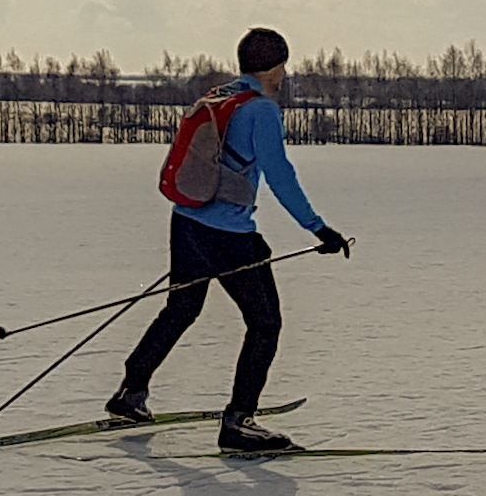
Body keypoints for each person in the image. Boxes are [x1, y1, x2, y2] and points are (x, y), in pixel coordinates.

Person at [107, 26, 349, 454]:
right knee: (265, 324)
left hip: (187, 222)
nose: (283, 75)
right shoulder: (261, 111)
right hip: (229, 236)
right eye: (283, 67)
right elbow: (280, 175)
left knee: (181, 308)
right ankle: (239, 422)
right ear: (274, 68)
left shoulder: (220, 97)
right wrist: (318, 228)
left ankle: (131, 392)